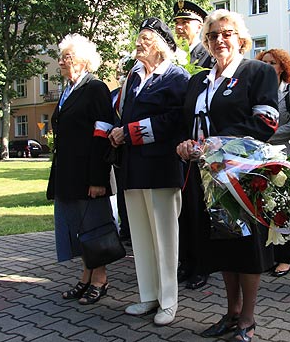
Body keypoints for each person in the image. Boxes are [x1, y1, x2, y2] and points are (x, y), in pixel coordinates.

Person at [176, 9, 279, 342]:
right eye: (212, 36)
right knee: (222, 247)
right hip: (206, 178)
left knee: (246, 247)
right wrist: (186, 144)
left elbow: (266, 123)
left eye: (226, 33)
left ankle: (248, 319)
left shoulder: (259, 72)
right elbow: (188, 126)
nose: (219, 40)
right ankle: (231, 312)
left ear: (241, 39)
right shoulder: (199, 81)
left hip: (243, 175)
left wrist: (216, 143)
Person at [108, 17, 189, 326]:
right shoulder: (133, 77)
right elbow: (124, 113)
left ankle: (168, 301)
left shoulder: (175, 77)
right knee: (141, 235)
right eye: (138, 37)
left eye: (145, 38)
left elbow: (174, 121)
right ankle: (148, 295)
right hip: (133, 167)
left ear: (162, 45)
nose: (139, 43)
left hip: (161, 166)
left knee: (165, 237)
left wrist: (129, 132)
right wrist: (119, 132)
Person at [46, 33, 116, 306]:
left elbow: (103, 134)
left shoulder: (95, 88)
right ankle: (86, 276)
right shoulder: (67, 91)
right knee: (78, 228)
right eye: (61, 57)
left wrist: (98, 178)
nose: (62, 62)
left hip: (89, 173)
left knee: (94, 228)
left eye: (68, 57)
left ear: (84, 61)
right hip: (67, 174)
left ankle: (101, 279)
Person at [173, 0, 214, 290]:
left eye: (185, 23)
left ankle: (201, 265)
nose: (179, 28)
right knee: (183, 209)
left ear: (199, 26)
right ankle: (185, 262)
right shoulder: (175, 57)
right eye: (176, 23)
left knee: (200, 209)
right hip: (181, 143)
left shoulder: (207, 57)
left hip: (205, 145)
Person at [255, 48, 290, 278]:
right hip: (260, 155)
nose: (268, 66)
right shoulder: (257, 90)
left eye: (272, 63)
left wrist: (266, 136)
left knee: (284, 206)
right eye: (264, 62)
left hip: (285, 154)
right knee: (263, 205)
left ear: (282, 67)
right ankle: (267, 256)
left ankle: (285, 258)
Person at [110, 54, 134, 244]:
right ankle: (125, 227)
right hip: (116, 150)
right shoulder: (113, 95)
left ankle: (133, 228)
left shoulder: (136, 92)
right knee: (121, 191)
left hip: (133, 145)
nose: (123, 75)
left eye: (127, 71)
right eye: (121, 72)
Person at [173, 0, 214, 69]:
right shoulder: (172, 54)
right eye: (177, 23)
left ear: (199, 27)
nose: (178, 27)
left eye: (184, 22)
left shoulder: (209, 54)